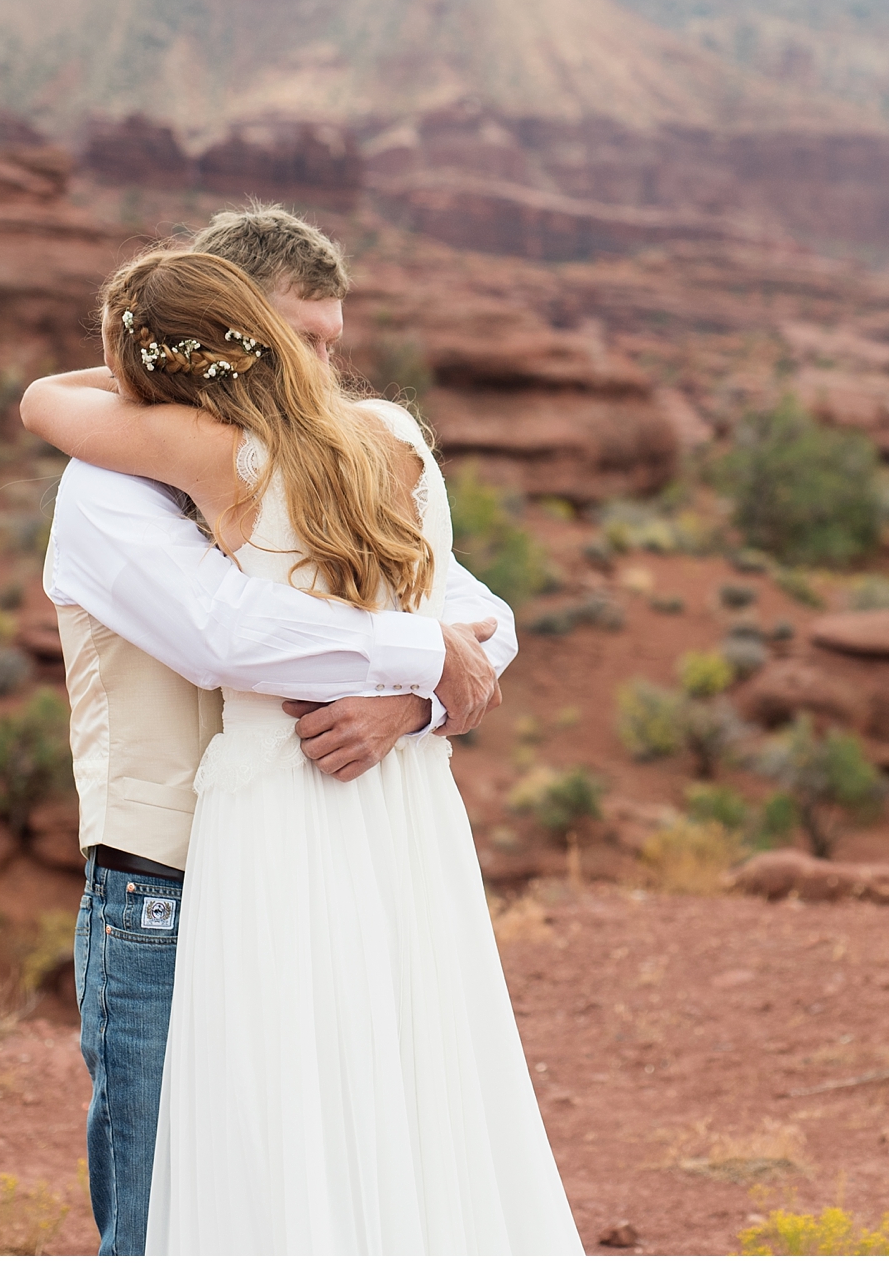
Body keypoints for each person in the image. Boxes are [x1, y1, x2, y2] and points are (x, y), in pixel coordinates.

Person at [30, 207, 522, 1255]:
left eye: (333, 344)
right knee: (174, 1207)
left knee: (329, 1180)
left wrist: (417, 699)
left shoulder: (342, 449)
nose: (318, 368)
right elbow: (230, 637)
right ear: (233, 321)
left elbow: (485, 615)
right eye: (297, 336)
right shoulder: (108, 483)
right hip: (167, 883)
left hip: (323, 866)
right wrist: (422, 659)